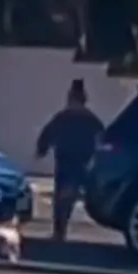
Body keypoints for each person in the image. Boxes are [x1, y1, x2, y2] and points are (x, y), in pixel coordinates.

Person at [35, 79, 104, 241]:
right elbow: (101, 138)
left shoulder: (64, 117)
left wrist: (42, 149)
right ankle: (61, 227)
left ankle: (60, 228)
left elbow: (47, 134)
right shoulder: (91, 120)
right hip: (81, 161)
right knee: (69, 195)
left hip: (67, 159)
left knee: (62, 195)